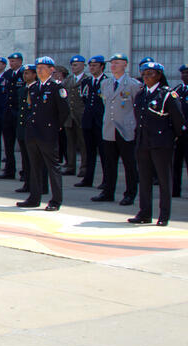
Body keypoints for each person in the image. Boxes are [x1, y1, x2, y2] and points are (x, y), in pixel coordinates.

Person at [130, 62, 185, 226]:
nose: (146, 77)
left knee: (163, 180)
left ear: (159, 76)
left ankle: (164, 216)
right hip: (143, 142)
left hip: (161, 144)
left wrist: (171, 138)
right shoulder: (141, 94)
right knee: (144, 179)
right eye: (144, 74)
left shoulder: (167, 95)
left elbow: (178, 121)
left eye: (150, 73)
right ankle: (145, 213)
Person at [18, 57, 69, 210]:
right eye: (38, 68)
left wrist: (56, 127)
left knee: (52, 167)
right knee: (35, 166)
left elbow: (64, 111)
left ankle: (55, 200)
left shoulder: (56, 87)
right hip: (33, 132)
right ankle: (34, 197)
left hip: (48, 133)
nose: (39, 70)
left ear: (51, 69)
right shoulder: (34, 88)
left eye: (43, 68)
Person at [94, 53, 142, 206]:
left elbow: (137, 107)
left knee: (129, 163)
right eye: (112, 63)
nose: (113, 66)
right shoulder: (105, 84)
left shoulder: (133, 85)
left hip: (126, 129)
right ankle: (108, 192)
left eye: (117, 63)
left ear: (125, 65)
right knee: (109, 163)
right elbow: (106, 103)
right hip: (109, 127)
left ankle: (130, 194)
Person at [76, 55, 107, 188]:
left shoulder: (106, 81)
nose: (92, 68)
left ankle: (106, 180)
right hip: (88, 121)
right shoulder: (87, 81)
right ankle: (88, 178)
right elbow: (84, 99)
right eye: (90, 66)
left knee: (104, 153)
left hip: (101, 122)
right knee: (89, 151)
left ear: (102, 67)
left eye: (95, 65)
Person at [0, 52, 25, 179]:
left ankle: (25, 172)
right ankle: (9, 170)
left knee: (23, 145)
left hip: (19, 113)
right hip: (8, 113)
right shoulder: (8, 74)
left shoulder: (24, 73)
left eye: (13, 61)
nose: (11, 63)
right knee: (8, 144)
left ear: (20, 62)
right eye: (10, 61)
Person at [56, 63, 85, 176]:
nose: (74, 67)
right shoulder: (68, 80)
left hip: (80, 115)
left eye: (76, 65)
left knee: (83, 144)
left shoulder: (86, 80)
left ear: (82, 66)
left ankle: (84, 167)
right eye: (72, 65)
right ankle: (70, 166)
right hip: (69, 117)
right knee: (70, 143)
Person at [173, 65, 188, 198]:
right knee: (175, 163)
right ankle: (175, 190)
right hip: (179, 134)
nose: (185, 75)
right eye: (183, 73)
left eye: (187, 73)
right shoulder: (177, 90)